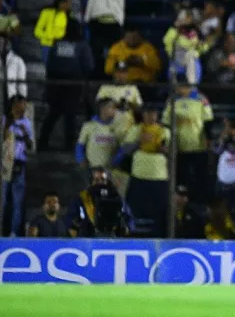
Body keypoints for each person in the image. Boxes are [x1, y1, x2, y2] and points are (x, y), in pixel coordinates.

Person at [37, 23, 93, 153]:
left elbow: (49, 64)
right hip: (73, 84)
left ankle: (42, 142)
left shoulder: (57, 44)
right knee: (70, 115)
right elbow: (89, 65)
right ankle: (68, 145)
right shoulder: (82, 46)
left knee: (53, 113)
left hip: (56, 83)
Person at [161, 76, 214, 202]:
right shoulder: (172, 100)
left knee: (199, 176)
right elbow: (166, 122)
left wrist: (209, 138)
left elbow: (208, 120)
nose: (180, 89)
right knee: (181, 176)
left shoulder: (200, 99)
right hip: (179, 147)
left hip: (198, 145)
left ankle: (200, 201)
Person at [122, 109, 171, 238]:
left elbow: (172, 152)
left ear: (157, 114)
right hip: (139, 175)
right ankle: (133, 236)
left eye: (153, 113)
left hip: (159, 177)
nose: (150, 115)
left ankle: (159, 237)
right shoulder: (136, 129)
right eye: (147, 113)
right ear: (143, 114)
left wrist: (162, 149)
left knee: (159, 212)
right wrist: (139, 141)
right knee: (135, 210)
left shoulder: (165, 131)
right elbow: (125, 150)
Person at [66, 167, 133, 238]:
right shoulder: (81, 199)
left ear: (107, 182)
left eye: (103, 180)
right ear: (91, 182)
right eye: (97, 180)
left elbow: (129, 219)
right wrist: (74, 227)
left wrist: (127, 227)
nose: (100, 183)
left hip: (113, 239)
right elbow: (70, 219)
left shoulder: (116, 197)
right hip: (87, 238)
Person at [1, 95, 32, 236]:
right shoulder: (4, 120)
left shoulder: (27, 122)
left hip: (20, 164)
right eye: (20, 104)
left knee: (17, 202)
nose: (22, 107)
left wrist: (24, 133)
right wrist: (9, 123)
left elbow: (31, 145)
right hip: (5, 163)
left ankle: (14, 231)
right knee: (3, 200)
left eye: (24, 105)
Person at [34, 0, 72, 64]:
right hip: (48, 46)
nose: (69, 5)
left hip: (63, 46)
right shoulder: (47, 12)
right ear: (60, 2)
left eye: (70, 3)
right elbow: (37, 31)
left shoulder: (69, 16)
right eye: (67, 2)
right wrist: (50, 36)